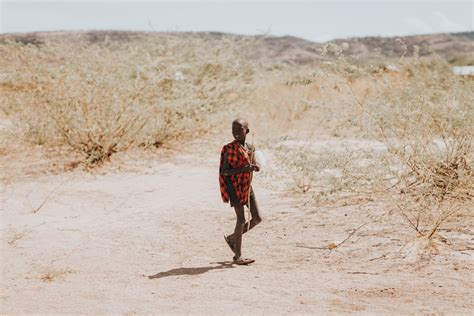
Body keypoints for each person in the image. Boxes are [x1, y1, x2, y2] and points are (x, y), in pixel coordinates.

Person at [219, 118, 262, 265]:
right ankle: (238, 256)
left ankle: (232, 238)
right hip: (234, 187)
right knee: (241, 220)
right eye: (234, 130)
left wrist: (255, 166)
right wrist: (244, 169)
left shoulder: (250, 148)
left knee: (257, 218)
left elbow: (253, 163)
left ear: (247, 131)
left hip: (247, 186)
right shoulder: (228, 149)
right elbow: (224, 171)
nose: (236, 133)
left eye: (240, 130)